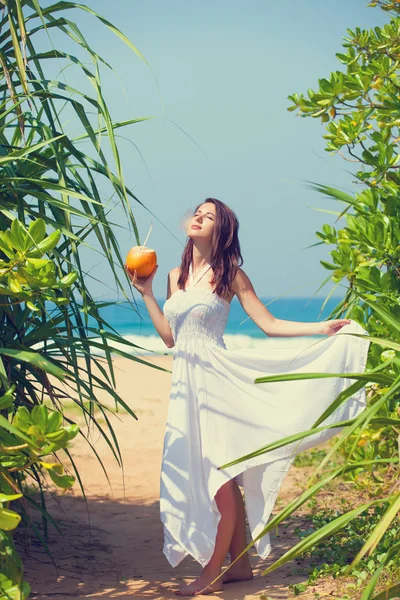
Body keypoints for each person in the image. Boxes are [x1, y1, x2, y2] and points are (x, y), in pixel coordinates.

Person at [124, 197, 370, 597]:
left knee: (217, 474)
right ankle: (239, 568)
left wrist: (321, 326)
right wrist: (148, 293)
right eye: (197, 212)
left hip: (218, 380)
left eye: (209, 215)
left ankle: (212, 571)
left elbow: (269, 324)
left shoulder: (231, 275)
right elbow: (171, 338)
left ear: (221, 231)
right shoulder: (173, 276)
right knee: (215, 473)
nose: (198, 216)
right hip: (186, 384)